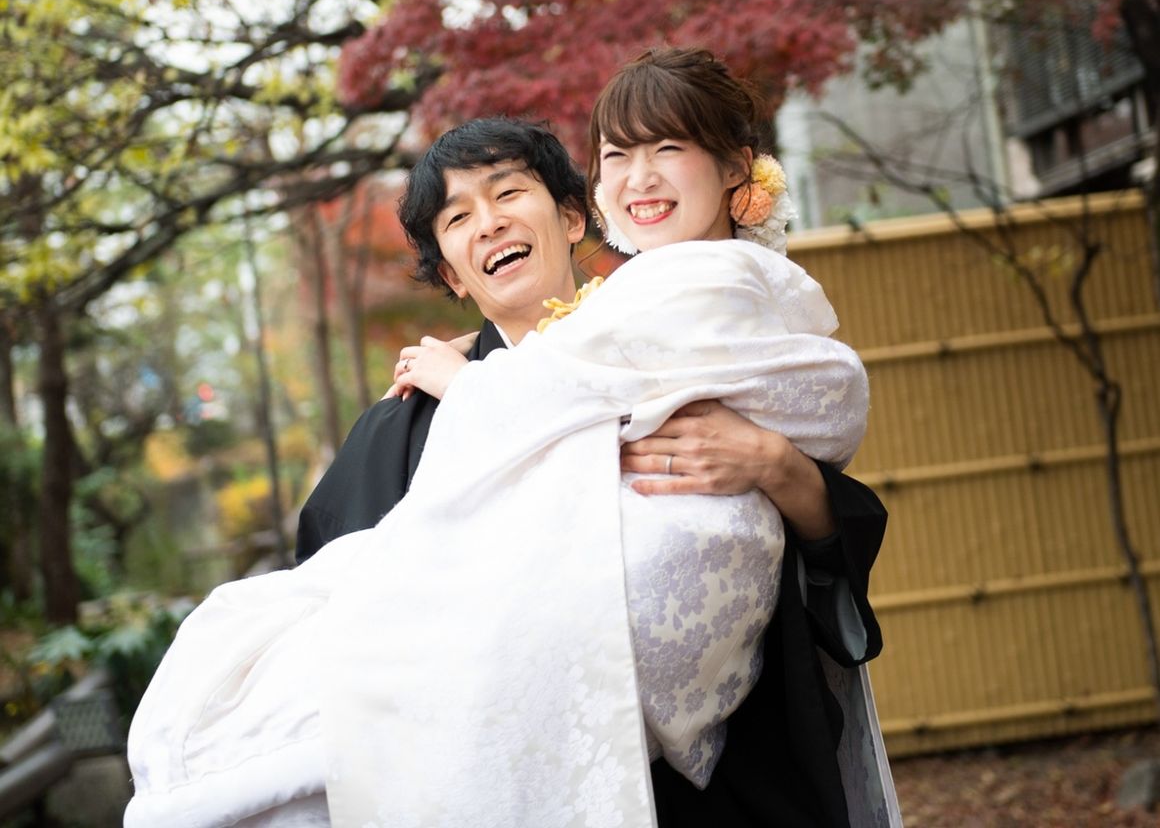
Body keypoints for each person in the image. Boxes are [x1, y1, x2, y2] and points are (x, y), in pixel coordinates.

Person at [125, 50, 898, 827]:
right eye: (457, 219)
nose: (489, 222)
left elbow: (812, 550)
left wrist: (779, 467)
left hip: (719, 791)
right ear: (452, 275)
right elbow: (358, 672)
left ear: (573, 218)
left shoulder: (694, 340)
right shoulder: (402, 429)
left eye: (508, 193)